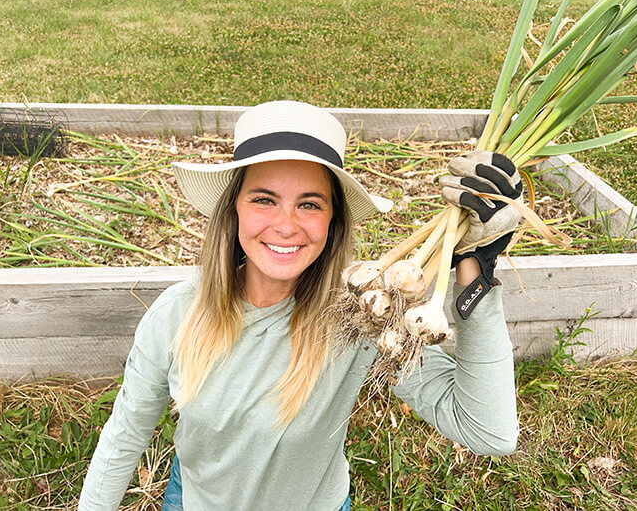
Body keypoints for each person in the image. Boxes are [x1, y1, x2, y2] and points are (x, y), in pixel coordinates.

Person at [78, 100, 520, 511]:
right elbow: (124, 436)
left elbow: (487, 430)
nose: (285, 225)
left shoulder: (358, 320)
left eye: (309, 204)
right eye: (264, 199)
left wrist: (474, 271)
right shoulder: (177, 314)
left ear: (334, 221)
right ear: (233, 210)